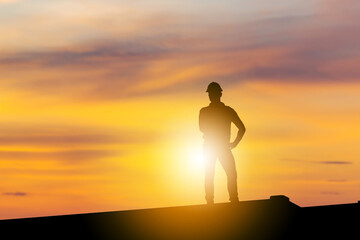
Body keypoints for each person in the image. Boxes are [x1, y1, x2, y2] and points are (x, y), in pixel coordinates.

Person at [199, 82, 246, 204]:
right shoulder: (209, 111)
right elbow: (202, 127)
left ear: (219, 94)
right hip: (213, 146)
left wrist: (234, 143)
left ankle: (232, 200)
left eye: (212, 93)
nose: (211, 96)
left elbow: (242, 128)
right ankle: (213, 202)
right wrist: (234, 142)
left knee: (226, 173)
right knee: (212, 173)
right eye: (210, 93)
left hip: (217, 146)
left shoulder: (224, 111)